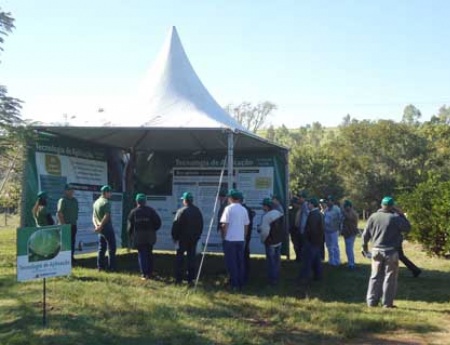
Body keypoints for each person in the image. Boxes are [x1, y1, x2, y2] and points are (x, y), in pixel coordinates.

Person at [362, 196, 411, 308]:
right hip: (390, 252)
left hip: (376, 250)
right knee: (390, 278)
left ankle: (371, 301)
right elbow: (407, 227)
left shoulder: (373, 216)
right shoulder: (394, 218)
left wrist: (364, 248)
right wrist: (401, 214)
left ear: (381, 205)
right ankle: (387, 303)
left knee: (374, 276)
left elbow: (365, 234)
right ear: (392, 206)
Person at [220, 189, 249, 290]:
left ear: (231, 198)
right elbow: (246, 225)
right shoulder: (244, 209)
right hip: (240, 239)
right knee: (240, 262)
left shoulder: (228, 209)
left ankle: (234, 284)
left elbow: (225, 224)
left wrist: (224, 237)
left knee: (231, 263)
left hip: (230, 239)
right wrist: (244, 237)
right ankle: (241, 282)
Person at [171, 192, 204, 285]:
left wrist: (174, 237)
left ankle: (179, 279)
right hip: (193, 239)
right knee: (191, 258)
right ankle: (191, 279)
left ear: (185, 201)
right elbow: (200, 225)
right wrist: (197, 236)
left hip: (182, 239)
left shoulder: (181, 211)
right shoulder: (197, 211)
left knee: (180, 258)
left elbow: (176, 225)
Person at [128, 193, 162, 280]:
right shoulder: (151, 211)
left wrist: (130, 235)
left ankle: (144, 274)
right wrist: (153, 230)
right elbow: (158, 222)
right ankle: (150, 273)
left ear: (137, 201)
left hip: (139, 236)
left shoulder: (133, 212)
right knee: (149, 253)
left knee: (142, 254)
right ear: (145, 201)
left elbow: (130, 227)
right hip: (150, 236)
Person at [258, 198, 284, 285]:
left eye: (263, 205)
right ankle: (277, 276)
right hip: (278, 240)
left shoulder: (266, 216)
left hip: (270, 242)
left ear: (267, 206)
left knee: (271, 261)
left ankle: (272, 280)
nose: (262, 207)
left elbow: (265, 232)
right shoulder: (279, 213)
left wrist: (263, 240)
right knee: (277, 260)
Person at [299, 198, 325, 281]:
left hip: (311, 241)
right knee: (317, 261)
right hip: (317, 241)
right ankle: (318, 276)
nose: (307, 205)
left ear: (312, 204)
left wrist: (308, 239)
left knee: (308, 261)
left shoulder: (313, 214)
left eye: (309, 204)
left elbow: (312, 229)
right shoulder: (319, 213)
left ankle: (305, 277)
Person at [93, 185, 116, 271]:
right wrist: (101, 226)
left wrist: (97, 226)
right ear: (106, 193)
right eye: (110, 192)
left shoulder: (96, 202)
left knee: (101, 248)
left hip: (100, 228)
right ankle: (111, 267)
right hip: (106, 227)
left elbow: (93, 217)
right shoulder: (106, 202)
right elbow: (107, 216)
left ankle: (100, 267)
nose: (111, 194)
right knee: (112, 248)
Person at [57, 184, 79, 263]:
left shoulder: (75, 200)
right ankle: (63, 260)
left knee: (72, 242)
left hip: (73, 225)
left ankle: (71, 258)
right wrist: (64, 225)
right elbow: (59, 213)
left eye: (72, 190)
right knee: (64, 244)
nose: (71, 191)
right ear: (65, 191)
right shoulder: (62, 200)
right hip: (65, 226)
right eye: (69, 190)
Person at [240, 195, 255, 283]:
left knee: (242, 256)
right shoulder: (247, 209)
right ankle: (246, 275)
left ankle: (243, 276)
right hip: (246, 235)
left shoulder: (244, 210)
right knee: (245, 255)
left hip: (243, 236)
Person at [324, 196, 342, 266]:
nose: (328, 202)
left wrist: (340, 228)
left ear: (333, 201)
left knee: (334, 246)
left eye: (329, 200)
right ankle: (331, 260)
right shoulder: (326, 210)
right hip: (326, 230)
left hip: (334, 230)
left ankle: (337, 261)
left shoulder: (337, 209)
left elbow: (340, 219)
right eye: (327, 201)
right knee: (328, 246)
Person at [341, 200, 359, 270]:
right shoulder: (348, 212)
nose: (345, 208)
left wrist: (342, 210)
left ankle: (351, 264)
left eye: (346, 206)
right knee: (348, 249)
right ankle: (350, 263)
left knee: (349, 249)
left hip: (351, 232)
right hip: (347, 233)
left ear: (350, 206)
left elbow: (348, 217)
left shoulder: (352, 213)